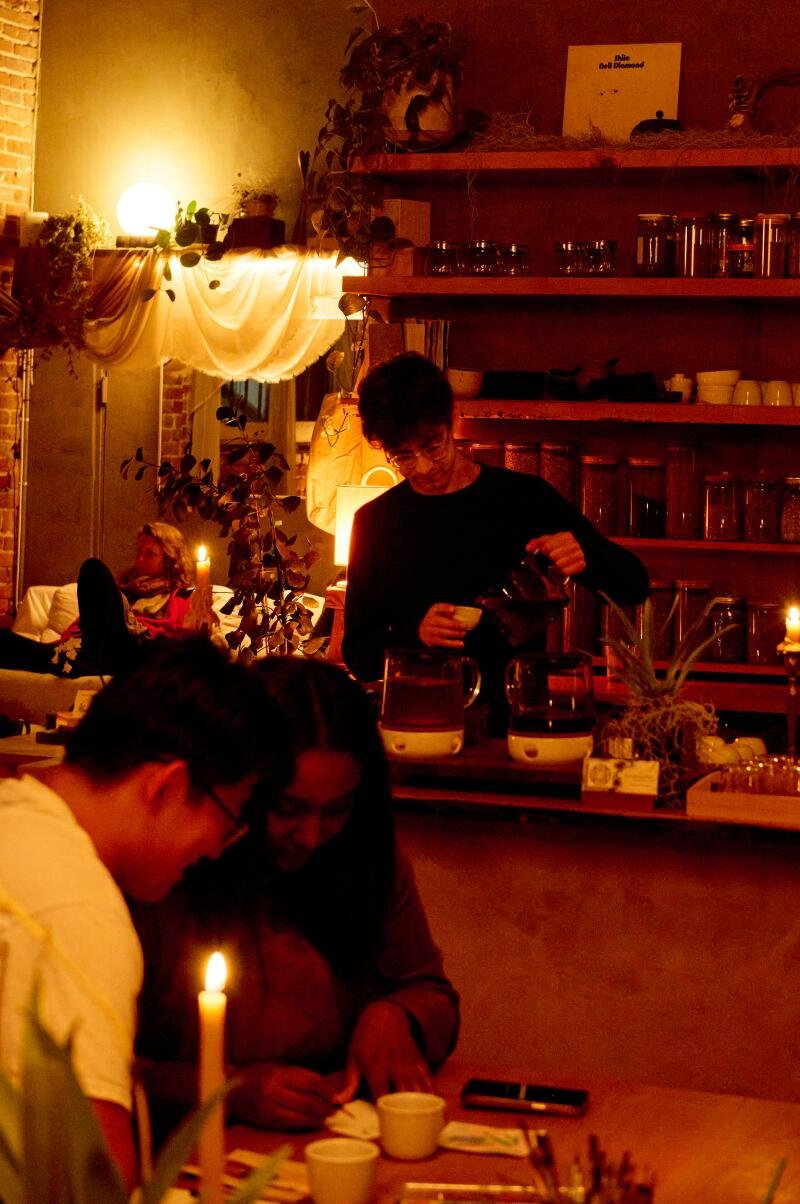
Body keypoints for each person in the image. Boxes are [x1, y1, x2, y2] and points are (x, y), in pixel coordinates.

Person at [0, 636, 291, 1190]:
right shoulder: (76, 908)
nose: (218, 851)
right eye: (230, 819)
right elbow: (93, 1184)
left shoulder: (14, 821)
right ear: (167, 785)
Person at [133, 656, 460, 1139]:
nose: (311, 836)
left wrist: (396, 1015)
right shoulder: (170, 871)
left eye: (337, 810)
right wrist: (228, 1088)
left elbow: (432, 992)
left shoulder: (367, 858)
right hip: (190, 1150)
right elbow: (105, 1070)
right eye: (288, 808)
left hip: (332, 1140)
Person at [342, 352, 650, 727]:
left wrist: (585, 555)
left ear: (453, 419)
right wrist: (416, 634)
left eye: (432, 446)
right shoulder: (376, 522)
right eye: (402, 456)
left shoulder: (522, 498)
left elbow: (634, 585)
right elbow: (358, 655)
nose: (422, 467)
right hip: (419, 723)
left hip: (516, 719)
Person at [0, 521, 196, 677]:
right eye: (138, 552)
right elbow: (82, 626)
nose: (140, 560)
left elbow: (179, 640)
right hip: (86, 650)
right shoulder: (124, 589)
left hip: (130, 650)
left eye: (150, 554)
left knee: (94, 570)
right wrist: (64, 646)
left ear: (170, 560)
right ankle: (80, 661)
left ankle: (87, 660)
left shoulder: (180, 595)